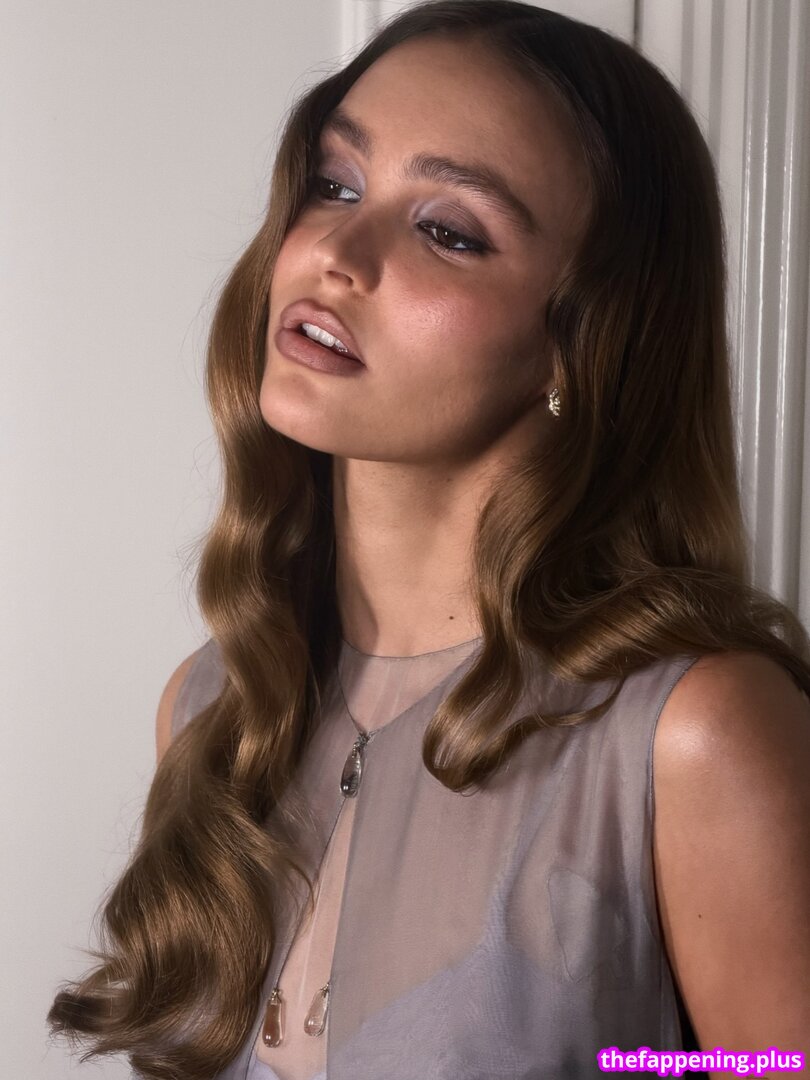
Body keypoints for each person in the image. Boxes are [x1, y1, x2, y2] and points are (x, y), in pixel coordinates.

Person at [48, 2, 810, 1078]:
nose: (335, 253)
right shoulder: (216, 707)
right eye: (334, 183)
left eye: (448, 230)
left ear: (581, 341)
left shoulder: (692, 733)